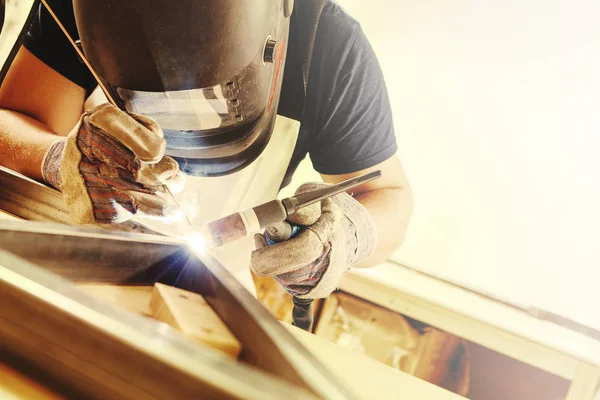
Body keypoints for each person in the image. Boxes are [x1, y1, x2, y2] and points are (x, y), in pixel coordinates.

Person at [0, 0, 413, 300]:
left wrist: (348, 235)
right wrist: (59, 161)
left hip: (207, 296)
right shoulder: (80, 5)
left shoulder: (326, 45)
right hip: (66, 268)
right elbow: (11, 119)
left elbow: (390, 198)